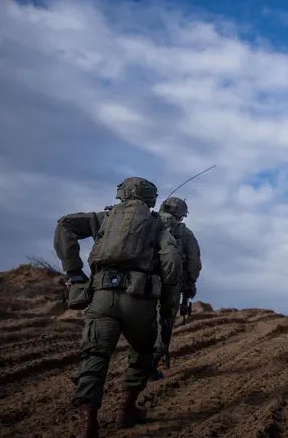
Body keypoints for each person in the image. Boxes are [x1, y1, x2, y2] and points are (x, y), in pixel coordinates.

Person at [54, 177, 183, 437]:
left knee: (94, 355)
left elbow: (64, 225)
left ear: (122, 194)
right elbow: (171, 260)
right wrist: (168, 303)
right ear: (152, 198)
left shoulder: (104, 218)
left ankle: (87, 424)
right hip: (139, 300)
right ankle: (127, 408)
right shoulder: (157, 224)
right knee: (144, 353)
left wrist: (75, 274)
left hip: (101, 296)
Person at [151, 197, 202, 380]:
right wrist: (190, 283)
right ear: (180, 215)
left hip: (142, 282)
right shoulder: (184, 233)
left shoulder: (148, 223)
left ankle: (136, 364)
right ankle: (151, 365)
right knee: (163, 324)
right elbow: (194, 261)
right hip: (170, 287)